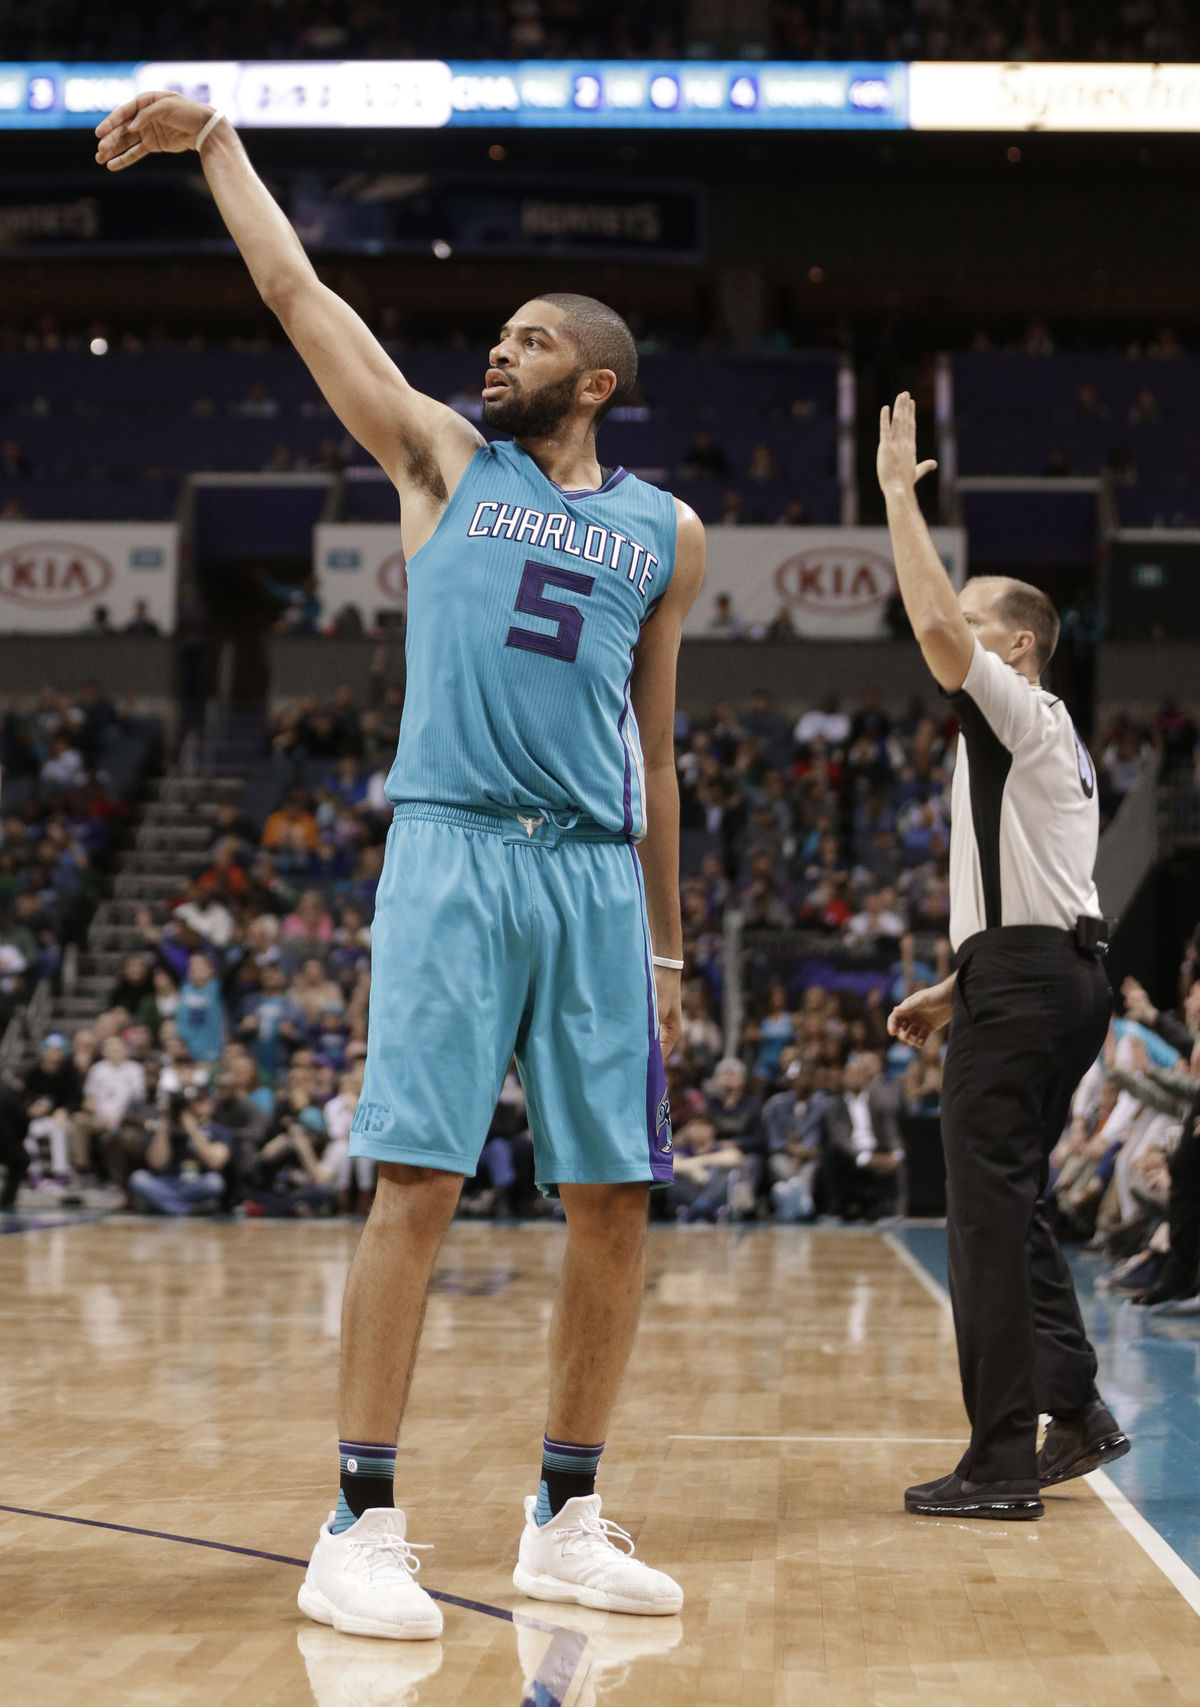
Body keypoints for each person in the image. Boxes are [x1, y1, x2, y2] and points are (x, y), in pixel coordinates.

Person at [96, 90, 704, 1639]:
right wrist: (219, 148)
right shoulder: (439, 458)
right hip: (452, 849)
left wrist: (669, 946)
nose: (498, 354)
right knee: (419, 1179)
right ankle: (357, 1520)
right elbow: (300, 293)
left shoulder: (668, 532)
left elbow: (656, 752)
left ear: (598, 379)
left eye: (529, 340)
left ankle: (566, 1515)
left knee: (616, 1197)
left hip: (592, 878)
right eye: (497, 337)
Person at [878, 393, 1128, 1521]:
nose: (948, 625)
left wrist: (897, 496)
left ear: (1016, 646)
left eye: (977, 617)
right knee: (1014, 1206)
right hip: (1048, 971)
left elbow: (937, 626)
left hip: (1031, 984)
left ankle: (998, 1462)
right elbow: (1045, 886)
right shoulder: (1046, 739)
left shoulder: (1022, 709)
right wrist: (959, 980)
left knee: (982, 1218)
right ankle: (1074, 1409)